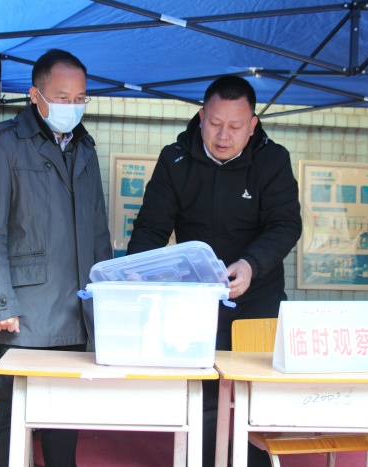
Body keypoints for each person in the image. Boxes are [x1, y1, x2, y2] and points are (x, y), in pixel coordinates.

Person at [127, 75, 302, 466]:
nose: (224, 135)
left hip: (257, 296)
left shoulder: (273, 160)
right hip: (197, 302)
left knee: (258, 394)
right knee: (202, 393)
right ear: (201, 116)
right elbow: (152, 225)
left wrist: (252, 264)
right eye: (216, 123)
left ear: (252, 125)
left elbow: (286, 224)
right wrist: (137, 268)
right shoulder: (175, 160)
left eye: (236, 126)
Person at [0, 48, 112, 467]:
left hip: (76, 309)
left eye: (80, 98)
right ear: (35, 95)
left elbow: (99, 233)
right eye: (62, 97)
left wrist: (105, 300)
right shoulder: (4, 145)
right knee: (16, 414)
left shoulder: (86, 149)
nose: (72, 107)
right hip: (24, 313)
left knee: (65, 417)